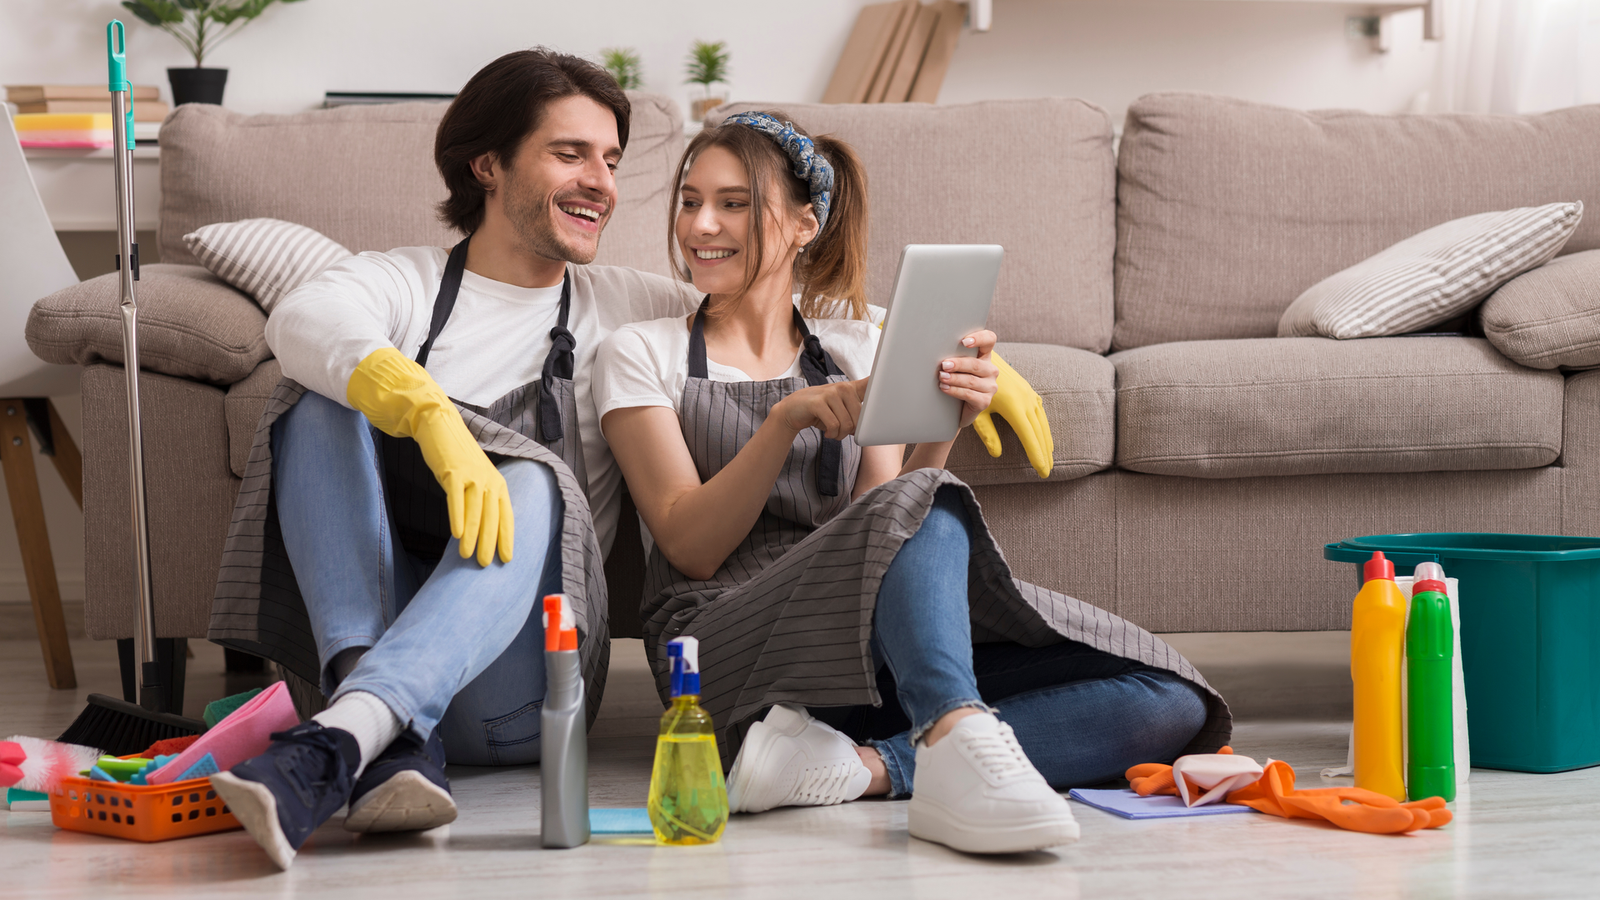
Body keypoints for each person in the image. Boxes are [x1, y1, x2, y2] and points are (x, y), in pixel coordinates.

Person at [595, 111, 1233, 854]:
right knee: (912, 507)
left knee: (1170, 702)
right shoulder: (642, 351)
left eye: (733, 203)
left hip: (855, 652)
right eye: (689, 199)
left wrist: (946, 422)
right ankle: (954, 745)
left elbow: (888, 522)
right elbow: (687, 544)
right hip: (719, 652)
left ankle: (875, 764)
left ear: (805, 224)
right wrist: (783, 425)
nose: (701, 224)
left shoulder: (855, 345)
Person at [206, 49, 701, 870]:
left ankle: (340, 739)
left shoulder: (633, 304)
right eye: (570, 154)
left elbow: (797, 323)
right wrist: (427, 412)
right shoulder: (401, 283)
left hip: (526, 690)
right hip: (367, 647)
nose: (602, 183)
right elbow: (302, 319)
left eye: (611, 160)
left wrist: (965, 352)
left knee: (538, 479)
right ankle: (378, 736)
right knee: (318, 394)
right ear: (488, 166)